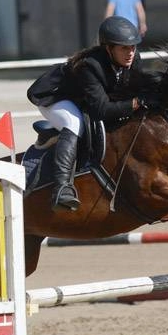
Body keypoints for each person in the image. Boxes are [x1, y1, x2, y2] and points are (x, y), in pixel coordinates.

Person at [26, 17, 149, 211]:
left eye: (133, 47)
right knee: (74, 124)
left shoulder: (134, 60)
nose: (130, 53)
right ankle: (62, 188)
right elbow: (102, 110)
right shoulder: (90, 66)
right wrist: (134, 103)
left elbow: (136, 89)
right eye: (124, 48)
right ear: (108, 48)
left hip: (82, 97)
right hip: (55, 97)